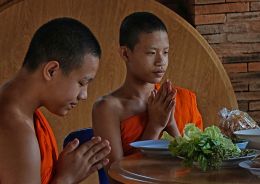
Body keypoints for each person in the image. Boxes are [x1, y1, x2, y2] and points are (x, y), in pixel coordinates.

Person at [0, 17, 111, 184]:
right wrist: (66, 178)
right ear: (51, 71)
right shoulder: (16, 130)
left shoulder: (14, 104)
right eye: (82, 83)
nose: (84, 95)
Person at [92, 12, 203, 166]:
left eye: (165, 52)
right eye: (151, 53)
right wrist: (155, 126)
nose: (161, 61)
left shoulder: (184, 100)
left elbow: (197, 165)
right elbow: (115, 178)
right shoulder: (108, 108)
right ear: (125, 54)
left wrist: (171, 125)